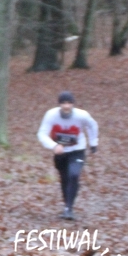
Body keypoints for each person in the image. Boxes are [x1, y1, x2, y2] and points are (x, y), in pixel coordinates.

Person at [37, 91, 98, 221]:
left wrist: (93, 143)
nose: (66, 106)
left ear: (73, 104)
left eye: (69, 103)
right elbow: (42, 133)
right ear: (59, 104)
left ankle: (69, 208)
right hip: (60, 152)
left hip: (77, 150)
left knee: (74, 175)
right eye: (63, 103)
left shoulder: (82, 115)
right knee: (65, 178)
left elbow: (92, 126)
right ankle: (67, 205)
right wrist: (54, 146)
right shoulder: (51, 115)